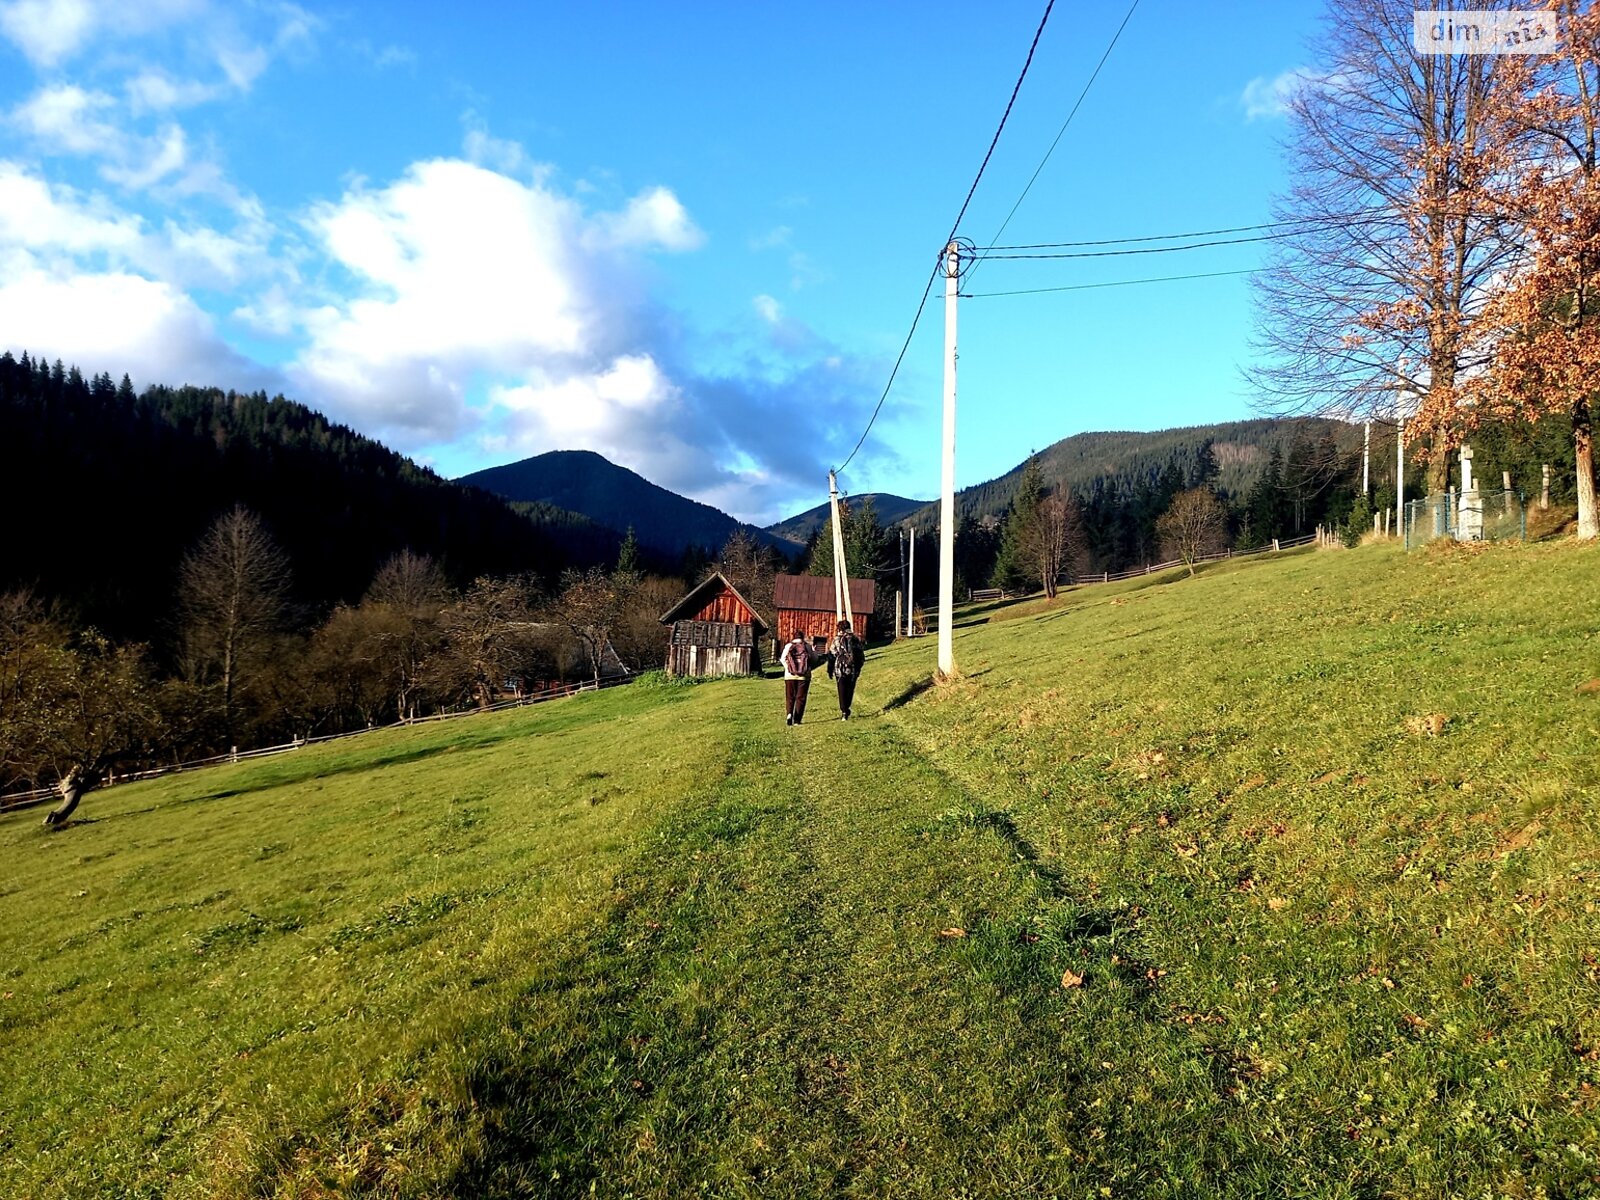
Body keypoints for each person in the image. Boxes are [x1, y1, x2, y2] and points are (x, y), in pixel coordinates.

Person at [779, 629, 821, 726]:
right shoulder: (807, 646)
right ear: (803, 637)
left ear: (794, 637)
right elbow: (815, 660)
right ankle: (797, 720)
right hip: (804, 676)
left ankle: (789, 714)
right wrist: (814, 652)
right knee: (800, 698)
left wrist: (789, 668)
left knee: (790, 697)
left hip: (789, 676)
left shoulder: (789, 646)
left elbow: (782, 659)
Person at [827, 619, 866, 720]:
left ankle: (844, 711)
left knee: (842, 689)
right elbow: (861, 655)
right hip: (853, 669)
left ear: (839, 629)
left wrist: (830, 669)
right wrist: (858, 667)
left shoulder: (836, 640)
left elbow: (832, 654)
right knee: (850, 689)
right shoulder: (855, 639)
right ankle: (847, 707)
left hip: (840, 668)